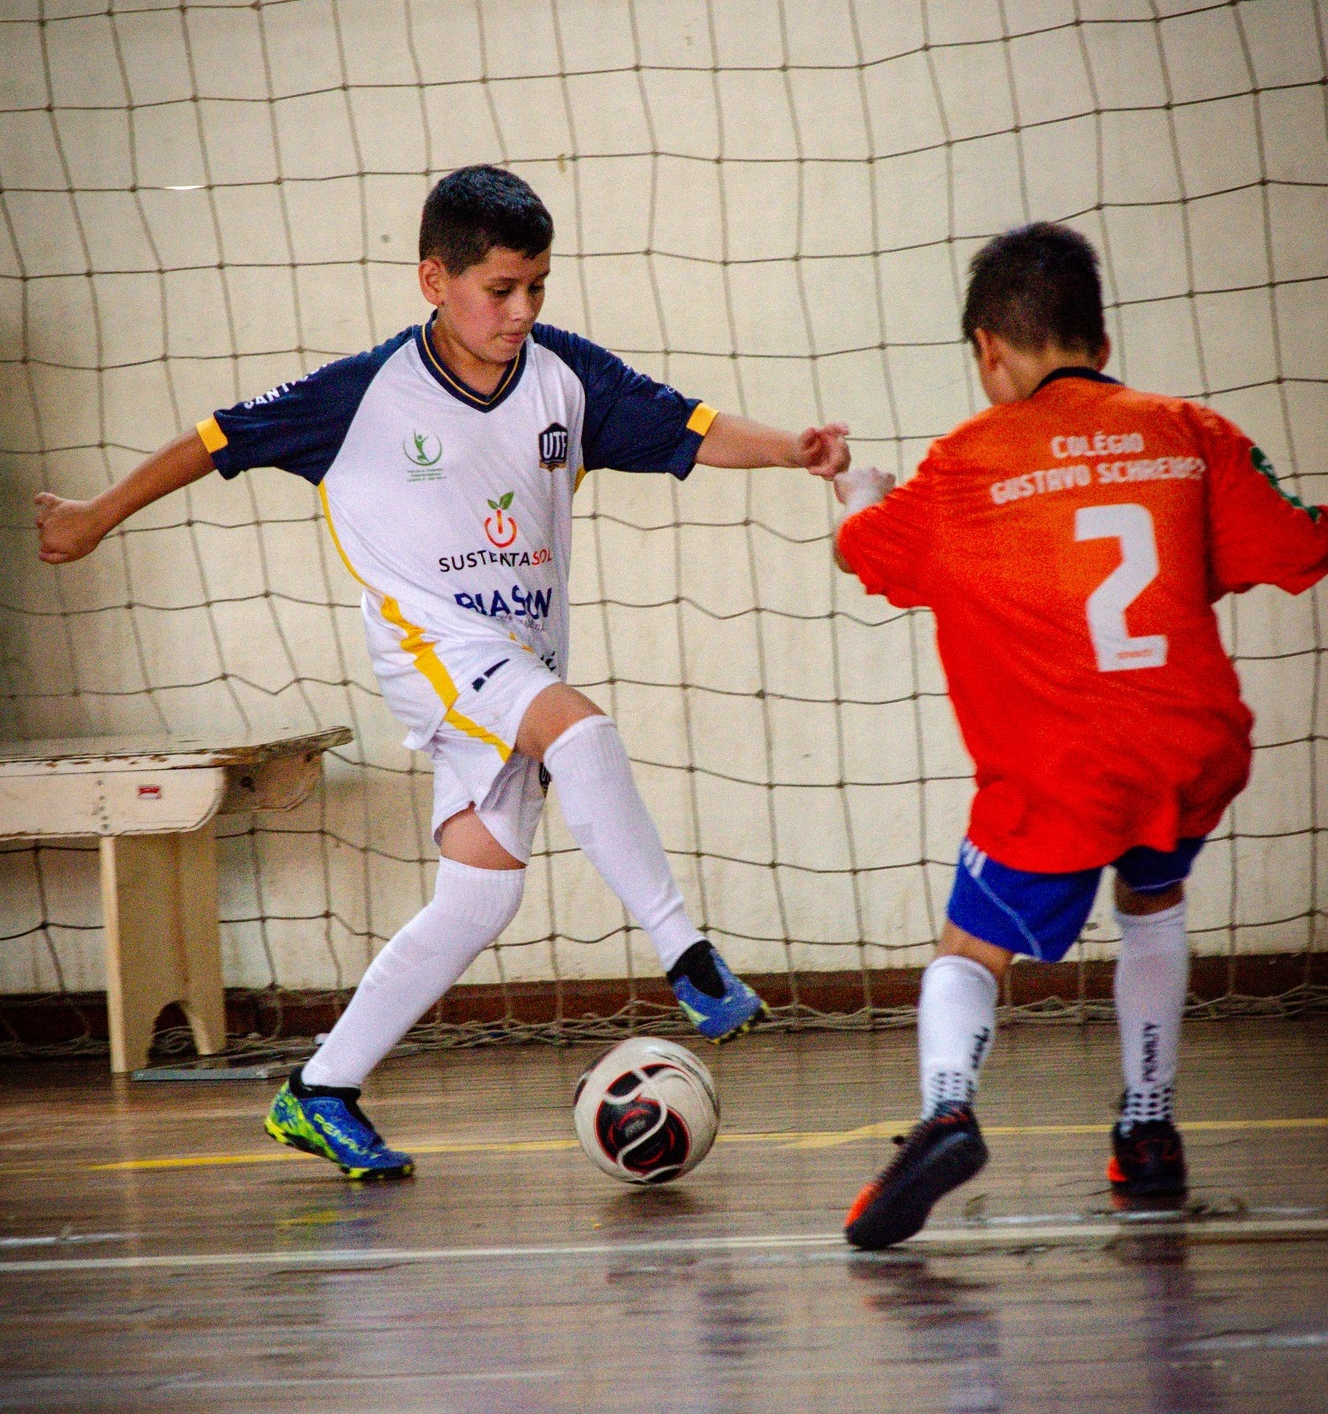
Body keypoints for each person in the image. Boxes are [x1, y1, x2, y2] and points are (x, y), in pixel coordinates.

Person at [35, 164, 849, 1181]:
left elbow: (689, 426)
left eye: (537, 287)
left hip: (517, 660)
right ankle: (686, 954)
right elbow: (213, 443)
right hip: (433, 653)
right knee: (584, 731)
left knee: (477, 900)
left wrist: (793, 449)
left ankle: (317, 1091)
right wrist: (95, 516)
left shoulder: (564, 378)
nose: (521, 312)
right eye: (499, 290)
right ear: (435, 279)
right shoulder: (359, 394)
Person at [832, 221, 1328, 1250]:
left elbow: (870, 558)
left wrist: (855, 495)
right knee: (1151, 898)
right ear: (1098, 343)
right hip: (1190, 742)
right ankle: (1146, 1132)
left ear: (987, 351)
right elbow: (1292, 548)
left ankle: (946, 1110)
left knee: (969, 948)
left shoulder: (964, 462)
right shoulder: (1189, 432)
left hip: (1059, 765)